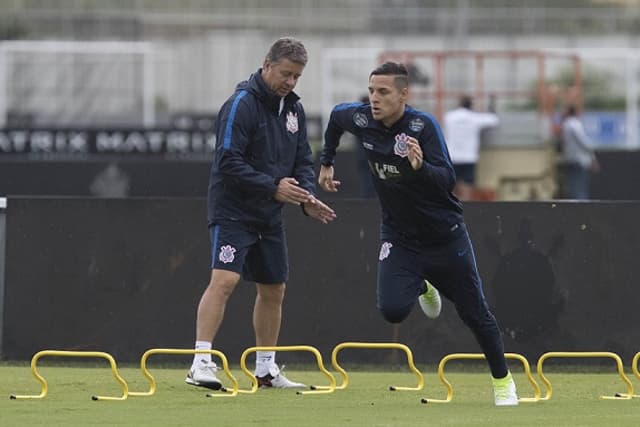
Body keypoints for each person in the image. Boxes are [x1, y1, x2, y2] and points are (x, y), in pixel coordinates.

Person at [318, 62, 518, 406]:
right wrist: (326, 161)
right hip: (400, 237)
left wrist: (420, 167)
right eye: (371, 91)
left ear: (403, 95)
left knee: (475, 313)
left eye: (383, 92)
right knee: (392, 310)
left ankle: (503, 383)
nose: (374, 99)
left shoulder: (422, 127)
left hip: (445, 237)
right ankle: (423, 284)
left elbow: (447, 180)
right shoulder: (361, 118)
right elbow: (336, 118)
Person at [186, 37, 336, 391]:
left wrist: (306, 198)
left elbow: (302, 160)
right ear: (266, 64)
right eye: (286, 73)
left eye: (297, 76)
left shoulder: (294, 111)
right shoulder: (241, 104)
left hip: (270, 215)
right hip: (233, 210)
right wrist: (273, 187)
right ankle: (200, 362)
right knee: (224, 281)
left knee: (274, 289)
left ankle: (265, 370)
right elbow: (227, 160)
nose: (290, 82)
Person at [443, 94, 499, 200]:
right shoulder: (474, 118)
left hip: (452, 156)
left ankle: (452, 209)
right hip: (469, 157)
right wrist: (492, 105)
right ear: (471, 105)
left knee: (452, 186)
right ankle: (466, 209)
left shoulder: (449, 117)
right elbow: (493, 120)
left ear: (459, 104)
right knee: (468, 185)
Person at [559, 104, 600, 199]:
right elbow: (585, 143)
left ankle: (579, 210)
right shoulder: (574, 124)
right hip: (579, 161)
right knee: (579, 189)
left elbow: (583, 142)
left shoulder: (569, 124)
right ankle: (582, 210)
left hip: (575, 160)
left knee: (575, 188)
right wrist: (593, 158)